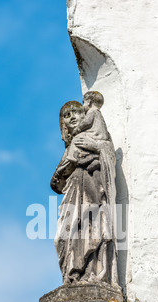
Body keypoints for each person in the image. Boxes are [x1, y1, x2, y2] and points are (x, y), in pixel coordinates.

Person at [50, 99, 119, 287]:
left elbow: (108, 155)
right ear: (62, 124)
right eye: (67, 115)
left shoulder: (95, 137)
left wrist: (95, 148)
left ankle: (90, 273)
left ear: (85, 116)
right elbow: (57, 182)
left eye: (76, 112)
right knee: (63, 236)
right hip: (72, 192)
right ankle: (70, 274)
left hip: (91, 187)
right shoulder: (70, 148)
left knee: (91, 228)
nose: (72, 117)